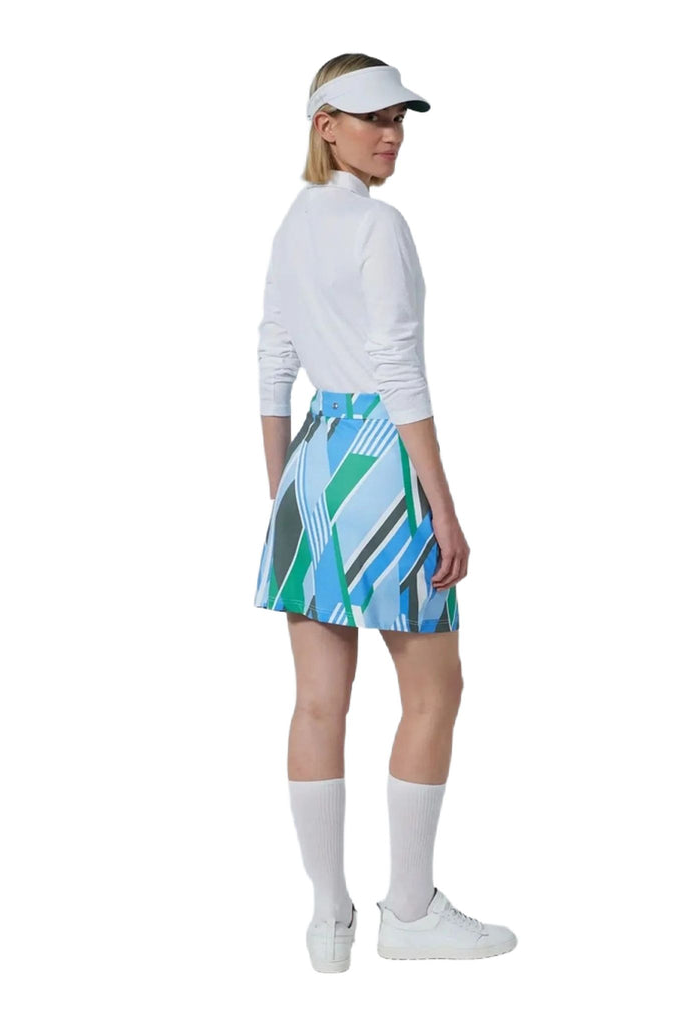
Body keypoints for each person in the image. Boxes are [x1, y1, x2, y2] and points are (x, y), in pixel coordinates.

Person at [252, 54, 517, 972]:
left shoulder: (292, 225)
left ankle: (328, 921)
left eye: (399, 118)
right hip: (380, 460)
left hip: (313, 466)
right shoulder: (378, 226)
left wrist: (285, 496)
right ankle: (408, 910)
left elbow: (273, 361)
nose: (391, 133)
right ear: (324, 124)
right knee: (435, 690)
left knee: (316, 701)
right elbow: (399, 371)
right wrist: (443, 508)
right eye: (372, 117)